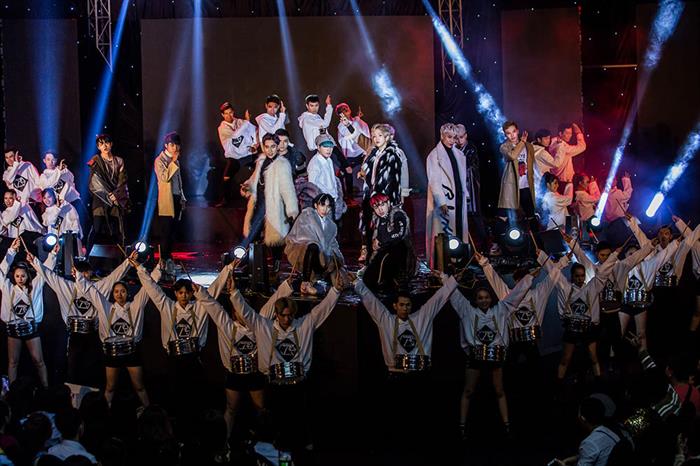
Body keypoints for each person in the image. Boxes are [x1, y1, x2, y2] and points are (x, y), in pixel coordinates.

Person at [234, 272, 343, 452]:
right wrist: (233, 293)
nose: (287, 319)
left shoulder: (303, 325)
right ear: (276, 315)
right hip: (274, 385)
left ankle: (302, 449)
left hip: (298, 385)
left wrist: (336, 291)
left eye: (290, 315)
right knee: (275, 422)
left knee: (299, 419)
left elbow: (322, 310)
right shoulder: (264, 327)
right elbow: (246, 313)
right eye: (283, 315)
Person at [204, 275, 293, 439]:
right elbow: (212, 306)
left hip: (254, 374)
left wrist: (287, 285)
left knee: (261, 409)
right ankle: (224, 442)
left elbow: (272, 303)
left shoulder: (257, 322)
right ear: (234, 313)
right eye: (239, 311)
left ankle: (265, 441)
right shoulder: (227, 325)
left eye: (244, 309)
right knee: (231, 408)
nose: (243, 314)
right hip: (234, 374)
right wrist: (199, 292)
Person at [451, 269, 535, 438]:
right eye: (480, 298)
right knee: (468, 390)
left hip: (495, 356)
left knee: (499, 390)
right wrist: (450, 280)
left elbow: (517, 294)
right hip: (475, 358)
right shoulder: (467, 310)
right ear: (475, 299)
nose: (484, 300)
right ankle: (462, 425)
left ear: (491, 298)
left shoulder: (501, 309)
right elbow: (454, 295)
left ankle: (506, 425)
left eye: (487, 297)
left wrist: (529, 277)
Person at [29, 250, 133, 386]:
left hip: (94, 334)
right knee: (73, 367)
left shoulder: (98, 287)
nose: (83, 276)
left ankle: (93, 393)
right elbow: (49, 275)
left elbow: (115, 276)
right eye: (80, 273)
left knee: (94, 368)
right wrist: (34, 261)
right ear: (74, 274)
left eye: (86, 273)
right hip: (75, 335)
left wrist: (128, 262)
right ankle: (73, 394)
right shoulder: (67, 286)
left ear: (90, 273)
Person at [134, 263, 217, 431]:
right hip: (174, 360)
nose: (184, 296)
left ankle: (196, 428)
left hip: (193, 359)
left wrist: (228, 269)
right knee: (176, 394)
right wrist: (139, 268)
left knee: (195, 395)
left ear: (192, 293)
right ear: (175, 294)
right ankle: (177, 428)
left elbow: (214, 289)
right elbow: (152, 288)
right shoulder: (167, 306)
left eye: (187, 293)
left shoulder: (199, 307)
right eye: (180, 293)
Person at [74, 263, 161, 409]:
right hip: (111, 354)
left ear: (128, 293)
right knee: (110, 388)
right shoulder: (106, 307)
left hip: (132, 353)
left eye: (122, 291)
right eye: (116, 292)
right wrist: (78, 276)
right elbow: (92, 292)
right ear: (112, 294)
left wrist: (157, 270)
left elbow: (148, 287)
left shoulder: (136, 306)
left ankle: (149, 413)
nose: (119, 294)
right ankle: (105, 413)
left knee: (139, 387)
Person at [554, 249, 620, 385]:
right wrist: (552, 258)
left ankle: (598, 383)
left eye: (582, 275)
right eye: (577, 276)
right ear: (572, 276)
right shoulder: (567, 288)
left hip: (588, 329)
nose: (580, 278)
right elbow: (553, 273)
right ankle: (558, 386)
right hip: (572, 329)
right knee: (566, 358)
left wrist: (614, 255)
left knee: (593, 356)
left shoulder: (591, 287)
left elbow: (603, 272)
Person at [240, 133, 299, 269]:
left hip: (274, 204)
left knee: (274, 237)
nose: (270, 150)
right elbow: (254, 179)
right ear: (263, 147)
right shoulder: (261, 161)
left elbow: (287, 189)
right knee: (254, 234)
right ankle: (251, 264)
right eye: (267, 147)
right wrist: (247, 187)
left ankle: (275, 263)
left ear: (277, 147)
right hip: (259, 202)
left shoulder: (282, 165)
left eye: (273, 146)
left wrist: (291, 209)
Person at [1, 241, 54, 388]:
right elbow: (1, 271)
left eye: (23, 276)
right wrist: (11, 251)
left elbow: (45, 272)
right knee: (13, 362)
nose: (20, 279)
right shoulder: (7, 287)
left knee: (39, 361)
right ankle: (12, 391)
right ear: (13, 276)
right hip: (13, 331)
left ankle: (45, 388)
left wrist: (53, 255)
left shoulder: (34, 287)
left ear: (27, 276)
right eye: (17, 276)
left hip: (32, 330)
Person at [358, 124, 404, 262]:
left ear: (387, 137)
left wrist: (379, 196)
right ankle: (369, 252)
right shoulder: (374, 153)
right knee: (368, 223)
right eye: (374, 136)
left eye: (380, 136)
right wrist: (364, 175)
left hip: (383, 197)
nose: (376, 139)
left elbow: (389, 180)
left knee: (385, 227)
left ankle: (386, 258)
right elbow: (371, 174)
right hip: (372, 195)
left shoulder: (392, 154)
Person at [426, 123, 469, 267]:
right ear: (442, 136)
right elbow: (434, 180)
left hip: (458, 197)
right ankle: (444, 261)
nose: (451, 140)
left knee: (459, 227)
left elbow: (462, 177)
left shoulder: (458, 154)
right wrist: (441, 201)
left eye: (454, 137)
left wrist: (466, 194)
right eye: (449, 137)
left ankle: (459, 259)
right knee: (444, 231)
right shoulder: (434, 156)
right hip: (445, 199)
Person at [284, 193, 345, 295]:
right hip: (302, 251)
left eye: (328, 206)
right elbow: (301, 235)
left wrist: (339, 258)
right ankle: (305, 283)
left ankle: (315, 281)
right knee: (313, 246)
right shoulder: (306, 216)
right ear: (316, 205)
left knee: (328, 258)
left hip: (322, 258)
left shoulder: (331, 225)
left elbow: (333, 243)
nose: (325, 209)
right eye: (322, 205)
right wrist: (318, 244)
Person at [552, 396, 628, 466]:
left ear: (583, 418)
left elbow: (592, 449)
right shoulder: (611, 431)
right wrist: (576, 457)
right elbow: (596, 452)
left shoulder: (589, 442)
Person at [361, 194, 416, 291]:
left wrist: (380, 241)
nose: (380, 209)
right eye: (376, 207)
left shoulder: (397, 214)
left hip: (400, 250)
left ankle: (394, 281)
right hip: (384, 250)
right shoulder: (377, 219)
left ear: (388, 203)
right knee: (367, 278)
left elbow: (399, 233)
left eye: (382, 205)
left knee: (386, 262)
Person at [87, 134, 128, 251]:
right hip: (100, 198)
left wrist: (116, 194)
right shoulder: (95, 160)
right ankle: (88, 255)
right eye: (101, 144)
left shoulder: (119, 161)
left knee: (116, 229)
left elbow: (122, 180)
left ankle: (119, 256)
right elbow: (94, 181)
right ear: (98, 147)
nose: (104, 146)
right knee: (97, 227)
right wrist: (108, 195)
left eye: (106, 143)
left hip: (115, 198)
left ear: (111, 144)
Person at [155, 131, 187, 276]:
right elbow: (164, 177)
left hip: (176, 198)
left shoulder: (176, 161)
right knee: (166, 232)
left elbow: (178, 182)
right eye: (172, 145)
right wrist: (173, 162)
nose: (175, 148)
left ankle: (169, 260)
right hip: (166, 200)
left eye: (177, 145)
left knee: (172, 232)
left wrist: (182, 197)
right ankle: (164, 261)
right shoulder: (160, 160)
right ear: (166, 145)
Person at [216, 102, 258, 207]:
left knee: (261, 166)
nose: (229, 115)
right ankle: (224, 199)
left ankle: (260, 195)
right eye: (226, 113)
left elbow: (254, 131)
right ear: (222, 115)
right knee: (226, 178)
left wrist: (254, 145)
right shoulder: (222, 128)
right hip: (234, 157)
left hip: (247, 154)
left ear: (233, 112)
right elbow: (235, 136)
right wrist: (246, 122)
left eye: (230, 112)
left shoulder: (240, 122)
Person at [498, 120, 536, 219]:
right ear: (505, 135)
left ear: (518, 131)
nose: (512, 135)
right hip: (512, 185)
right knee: (509, 217)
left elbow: (532, 164)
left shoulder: (528, 146)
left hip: (526, 185)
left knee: (531, 215)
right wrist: (522, 142)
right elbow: (512, 156)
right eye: (508, 133)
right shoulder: (504, 147)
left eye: (514, 131)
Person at [306, 133, 346, 221]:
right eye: (325, 146)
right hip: (323, 203)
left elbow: (332, 180)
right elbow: (312, 186)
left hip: (332, 200)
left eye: (331, 147)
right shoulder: (315, 163)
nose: (329, 150)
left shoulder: (329, 160)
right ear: (318, 147)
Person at [336, 103, 370, 196]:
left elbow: (364, 132)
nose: (345, 109)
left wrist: (358, 118)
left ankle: (370, 192)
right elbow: (352, 132)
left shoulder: (356, 120)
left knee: (370, 169)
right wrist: (358, 118)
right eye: (342, 109)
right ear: (340, 114)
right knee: (345, 172)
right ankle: (349, 195)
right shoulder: (341, 125)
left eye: (346, 107)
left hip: (363, 152)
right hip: (351, 155)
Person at [455, 124, 481, 215]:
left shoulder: (471, 148)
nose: (459, 140)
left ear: (465, 135)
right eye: (457, 138)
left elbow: (470, 164)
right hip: (459, 180)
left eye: (461, 137)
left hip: (470, 181)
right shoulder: (454, 148)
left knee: (474, 208)